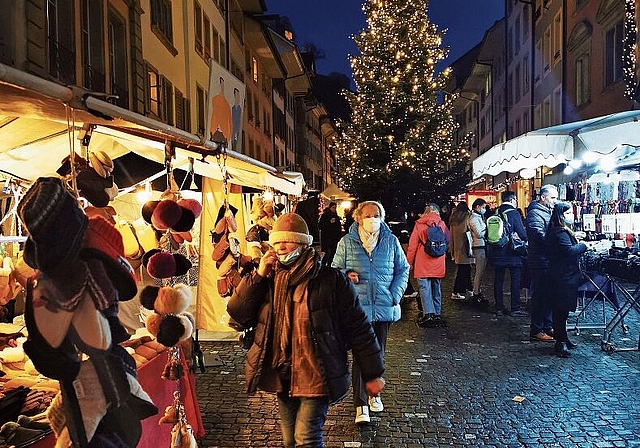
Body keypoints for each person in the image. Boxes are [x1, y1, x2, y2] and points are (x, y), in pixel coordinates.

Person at [227, 213, 385, 447]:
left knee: (306, 438)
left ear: (302, 244)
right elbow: (238, 313)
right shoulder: (268, 279)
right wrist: (259, 275)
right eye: (277, 242)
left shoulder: (330, 280)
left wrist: (372, 373)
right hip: (284, 371)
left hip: (316, 371)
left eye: (287, 241)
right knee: (290, 440)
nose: (281, 247)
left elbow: (358, 327)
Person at [332, 201, 409, 424]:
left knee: (378, 353)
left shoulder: (391, 241)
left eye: (376, 215)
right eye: (368, 215)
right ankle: (361, 404)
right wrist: (347, 274)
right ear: (358, 218)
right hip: (357, 309)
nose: (372, 218)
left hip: (384, 306)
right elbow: (335, 270)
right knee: (359, 355)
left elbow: (403, 269)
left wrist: (395, 295)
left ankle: (374, 393)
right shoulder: (347, 242)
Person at [546, 202, 587, 358]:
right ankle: (560, 342)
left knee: (562, 309)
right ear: (561, 215)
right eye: (569, 213)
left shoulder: (560, 231)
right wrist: (583, 246)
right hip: (562, 276)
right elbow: (568, 250)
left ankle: (563, 338)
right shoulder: (560, 232)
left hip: (564, 274)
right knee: (560, 309)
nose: (572, 215)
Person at [406, 203, 451, 328]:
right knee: (436, 286)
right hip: (438, 259)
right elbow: (448, 238)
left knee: (424, 288)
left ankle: (428, 314)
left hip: (423, 260)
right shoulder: (441, 223)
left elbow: (412, 246)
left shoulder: (419, 224)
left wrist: (409, 262)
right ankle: (437, 313)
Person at [525, 185, 558, 342]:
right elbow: (538, 234)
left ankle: (547, 325)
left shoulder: (547, 212)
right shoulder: (535, 213)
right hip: (539, 260)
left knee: (549, 294)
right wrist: (556, 240)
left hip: (547, 259)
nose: (555, 201)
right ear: (543, 197)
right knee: (540, 295)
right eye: (553, 198)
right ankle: (537, 329)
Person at [489, 191, 529, 317]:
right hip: (512, 252)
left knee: (498, 280)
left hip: (498, 250)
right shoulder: (514, 213)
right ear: (513, 200)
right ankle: (515, 308)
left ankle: (499, 308)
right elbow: (522, 234)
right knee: (515, 280)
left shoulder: (495, 212)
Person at [448, 201, 474, 301]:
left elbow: (451, 235)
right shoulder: (467, 217)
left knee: (465, 269)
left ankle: (470, 289)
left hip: (457, 248)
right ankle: (456, 291)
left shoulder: (453, 219)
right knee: (463, 271)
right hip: (466, 247)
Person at [468, 198, 489, 306]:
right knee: (479, 271)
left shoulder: (478, 217)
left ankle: (477, 292)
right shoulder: (474, 219)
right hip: (478, 246)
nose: (484, 209)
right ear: (477, 207)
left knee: (480, 271)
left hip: (481, 245)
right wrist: (487, 226)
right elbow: (479, 234)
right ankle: (476, 293)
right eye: (483, 207)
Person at [317, 201, 342, 266]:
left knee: (333, 253)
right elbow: (320, 226)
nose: (334, 209)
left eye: (335, 208)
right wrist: (329, 222)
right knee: (326, 252)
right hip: (326, 237)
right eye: (333, 207)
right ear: (330, 208)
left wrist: (339, 236)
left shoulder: (336, 216)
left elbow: (338, 227)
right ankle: (323, 265)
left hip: (334, 238)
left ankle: (330, 265)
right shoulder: (325, 215)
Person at [210, 76, 232, 143]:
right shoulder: (214, 99)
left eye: (222, 85)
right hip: (215, 131)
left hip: (223, 133)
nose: (221, 87)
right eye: (220, 84)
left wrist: (228, 137)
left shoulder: (227, 105)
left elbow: (230, 122)